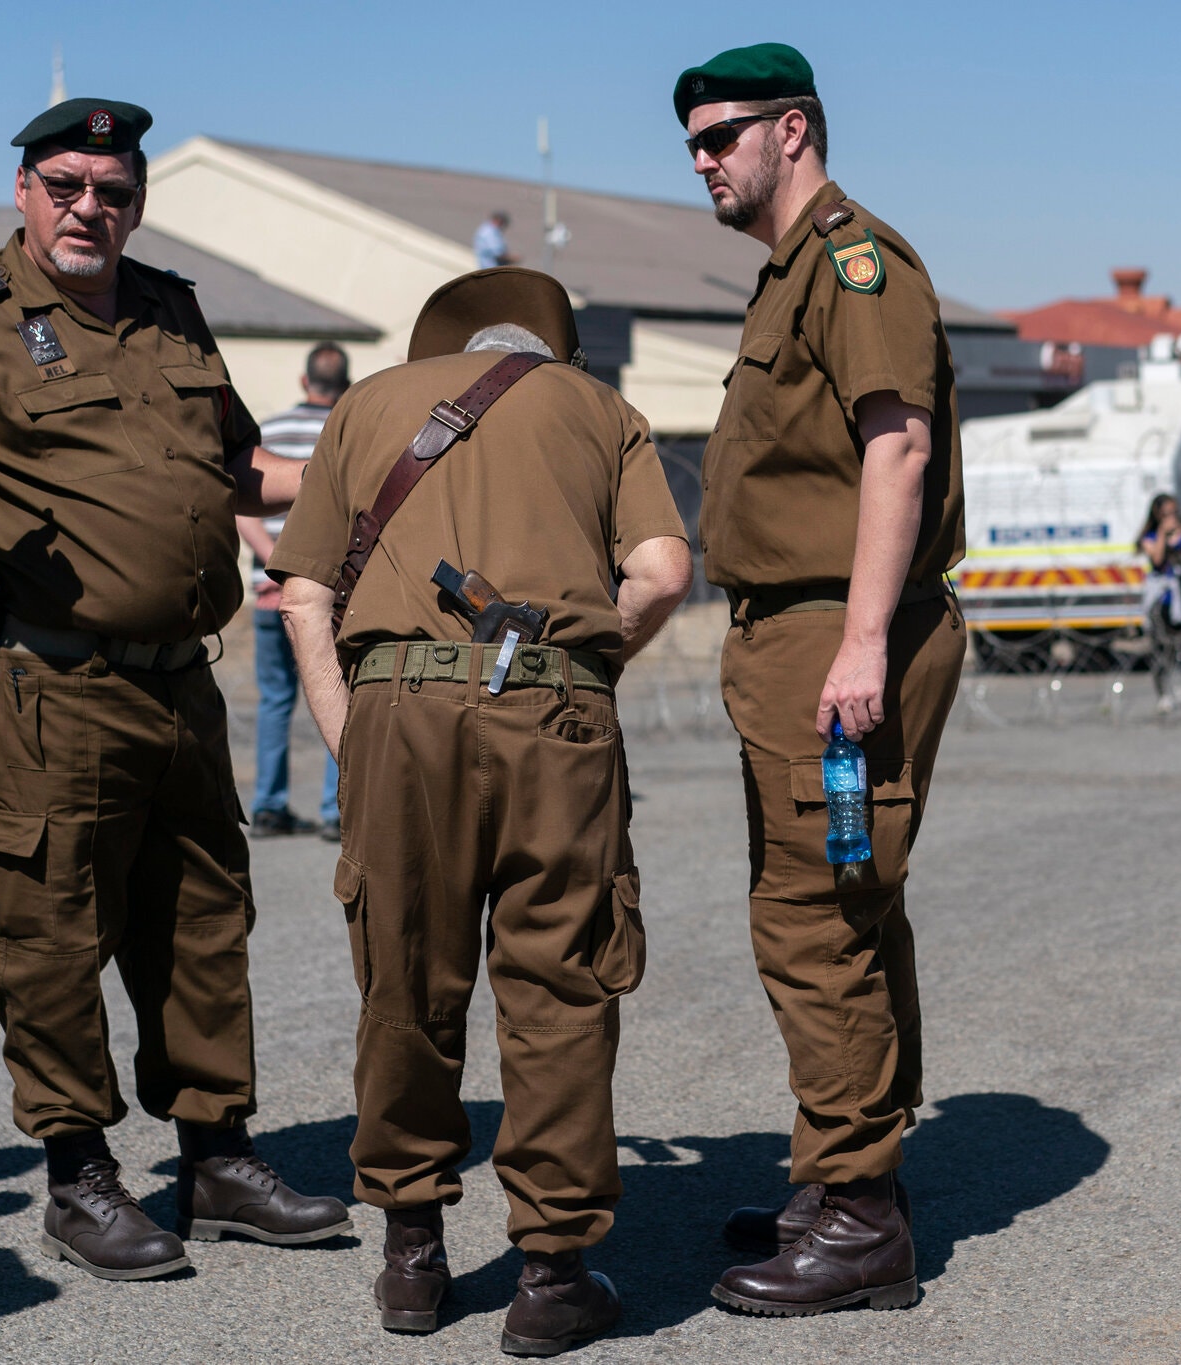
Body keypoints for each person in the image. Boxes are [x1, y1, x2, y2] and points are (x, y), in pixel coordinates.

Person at [0, 99, 348, 1280]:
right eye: (66, 185)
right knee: (47, 932)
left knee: (204, 923)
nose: (90, 208)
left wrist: (366, 466)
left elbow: (240, 467)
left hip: (178, 686)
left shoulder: (170, 308)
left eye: (112, 189)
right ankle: (80, 1176)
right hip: (47, 689)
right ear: (24, 192)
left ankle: (217, 1159)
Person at [270, 268, 693, 1352]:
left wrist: (349, 732)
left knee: (405, 972)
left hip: (396, 712)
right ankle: (550, 1276)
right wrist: (583, 666)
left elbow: (303, 591)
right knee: (560, 978)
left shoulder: (365, 404)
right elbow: (659, 571)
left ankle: (411, 1256)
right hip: (554, 713)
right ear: (550, 346)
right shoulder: (599, 409)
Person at [676, 42, 968, 1315]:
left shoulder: (854, 264)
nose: (702, 160)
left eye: (720, 135)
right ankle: (850, 1173)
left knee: (815, 917)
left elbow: (893, 451)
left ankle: (856, 1216)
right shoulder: (789, 273)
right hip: (792, 632)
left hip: (838, 635)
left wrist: (857, 642)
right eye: (689, 142)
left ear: (792, 129)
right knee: (841, 897)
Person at [236, 343, 348, 840]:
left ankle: (267, 806)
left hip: (267, 593)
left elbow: (242, 506)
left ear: (305, 382)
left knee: (275, 702)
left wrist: (273, 568)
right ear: (344, 384)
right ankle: (335, 810)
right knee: (340, 696)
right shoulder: (345, 434)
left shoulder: (269, 431)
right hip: (330, 596)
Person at [1138, 493, 1181, 711]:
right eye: (1165, 513)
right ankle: (1164, 694)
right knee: (1162, 646)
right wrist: (1162, 532)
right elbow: (1157, 559)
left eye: (1173, 512)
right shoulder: (1150, 536)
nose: (1170, 517)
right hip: (1162, 598)